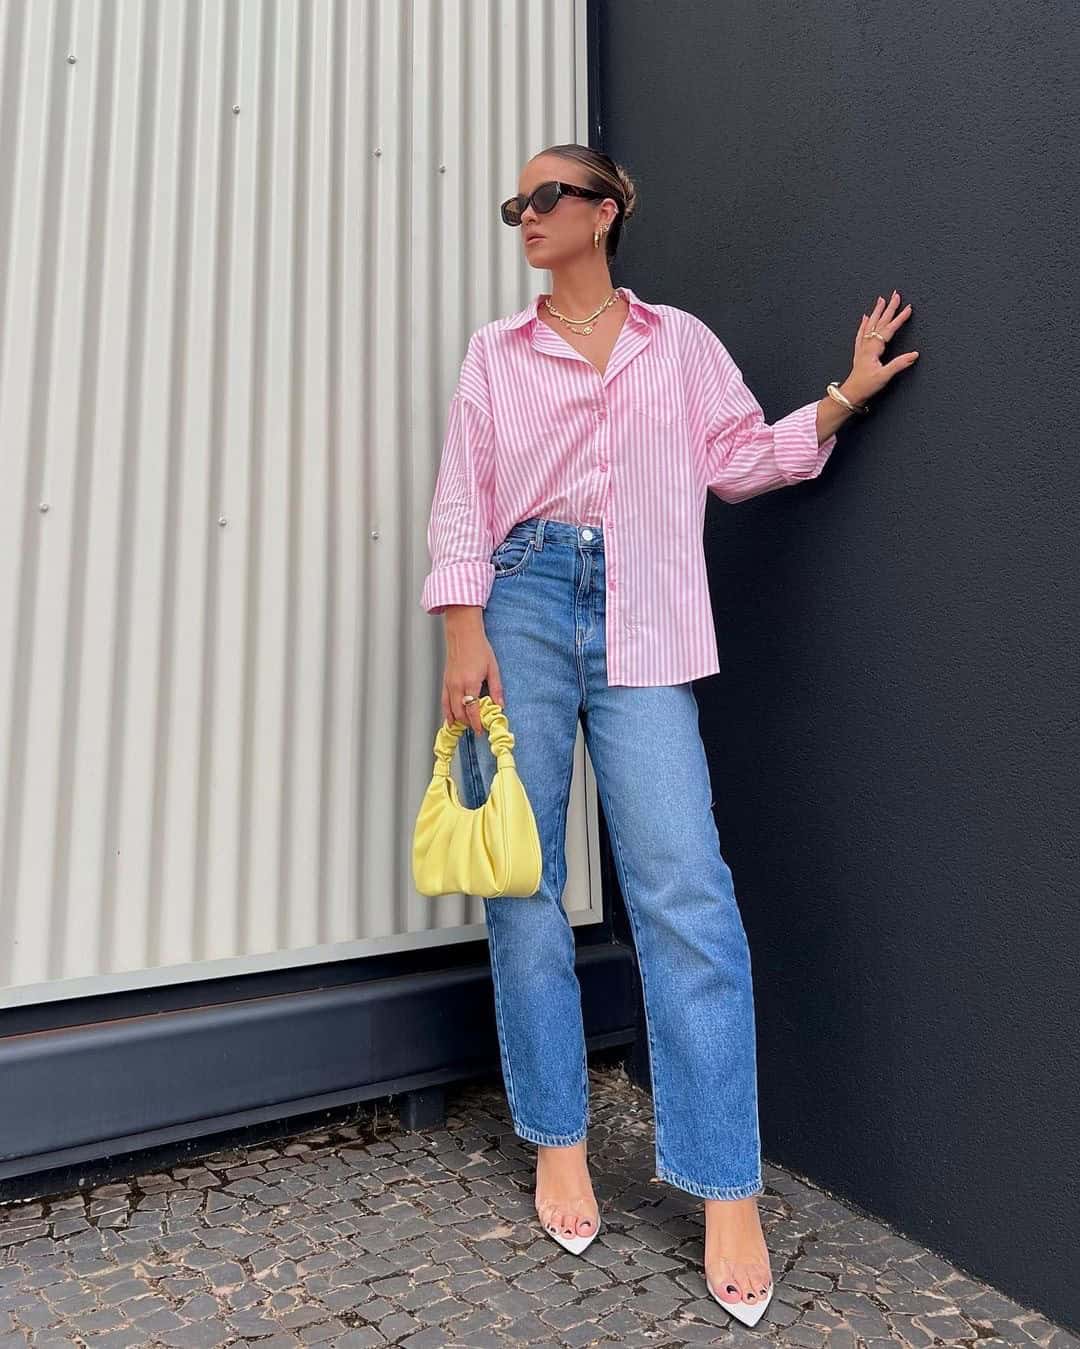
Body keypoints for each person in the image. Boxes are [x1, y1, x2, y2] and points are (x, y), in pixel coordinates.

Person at [419, 143, 918, 1327]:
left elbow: (741, 462)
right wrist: (460, 636)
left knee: (684, 882)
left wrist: (844, 391)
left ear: (606, 209)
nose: (525, 217)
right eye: (515, 205)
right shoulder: (497, 353)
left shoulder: (678, 342)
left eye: (546, 197)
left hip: (647, 607)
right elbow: (461, 499)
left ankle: (723, 1180)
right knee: (525, 877)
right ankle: (555, 1133)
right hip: (523, 597)